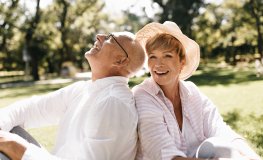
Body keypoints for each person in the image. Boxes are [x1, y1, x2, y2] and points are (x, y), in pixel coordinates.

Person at [0, 31, 145, 160]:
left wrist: (16, 147)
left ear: (120, 60)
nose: (99, 36)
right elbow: (30, 109)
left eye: (110, 38)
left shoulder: (114, 103)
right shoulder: (84, 89)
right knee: (9, 127)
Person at [133, 21, 261, 160]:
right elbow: (165, 155)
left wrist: (252, 156)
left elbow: (220, 130)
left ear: (182, 62)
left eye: (167, 56)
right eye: (153, 57)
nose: (158, 64)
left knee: (226, 147)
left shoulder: (191, 92)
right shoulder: (142, 95)